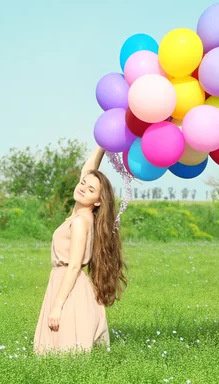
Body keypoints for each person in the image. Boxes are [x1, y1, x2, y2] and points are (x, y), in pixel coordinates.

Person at [33, 146, 128, 355]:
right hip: (65, 281)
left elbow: (75, 265)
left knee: (63, 354)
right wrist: (104, 144)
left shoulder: (80, 222)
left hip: (69, 283)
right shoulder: (81, 215)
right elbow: (88, 171)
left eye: (91, 190)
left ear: (97, 201)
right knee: (57, 355)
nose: (83, 187)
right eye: (83, 183)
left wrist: (57, 305)